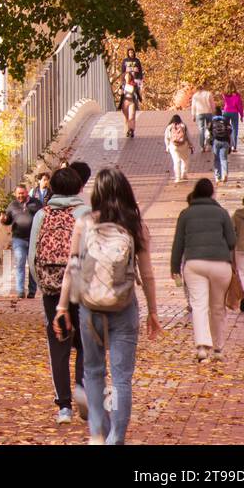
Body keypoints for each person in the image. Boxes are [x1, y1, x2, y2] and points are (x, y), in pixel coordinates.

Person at [55, 168, 161, 445]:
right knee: (122, 378)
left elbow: (72, 268)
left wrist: (62, 308)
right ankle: (116, 439)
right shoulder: (136, 226)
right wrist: (153, 312)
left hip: (90, 306)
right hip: (124, 306)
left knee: (93, 371)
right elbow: (147, 274)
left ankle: (98, 432)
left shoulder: (84, 223)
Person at [28, 166, 91, 424]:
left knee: (58, 345)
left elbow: (32, 256)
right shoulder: (86, 213)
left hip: (52, 290)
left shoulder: (42, 214)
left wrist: (42, 283)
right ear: (79, 188)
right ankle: (82, 390)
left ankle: (63, 406)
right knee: (87, 343)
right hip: (84, 289)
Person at [171, 178, 237, 363]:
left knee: (199, 306)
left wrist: (174, 267)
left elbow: (178, 243)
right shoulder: (222, 213)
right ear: (211, 193)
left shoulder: (186, 213)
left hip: (194, 264)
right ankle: (218, 348)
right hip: (220, 265)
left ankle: (201, 347)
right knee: (217, 307)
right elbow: (232, 241)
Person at [0, 183, 38, 302]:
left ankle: (32, 291)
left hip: (33, 239)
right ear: (15, 194)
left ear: (27, 192)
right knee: (20, 262)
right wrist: (4, 220)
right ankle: (20, 291)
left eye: (22, 193)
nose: (20, 195)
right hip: (18, 238)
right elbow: (8, 220)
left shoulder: (36, 203)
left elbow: (43, 217)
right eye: (18, 194)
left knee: (32, 266)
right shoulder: (12, 205)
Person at [163, 113, 193, 183]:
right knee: (185, 159)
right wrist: (191, 144)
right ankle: (184, 173)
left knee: (176, 161)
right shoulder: (183, 125)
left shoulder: (169, 127)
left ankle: (178, 178)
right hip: (184, 145)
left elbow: (166, 137)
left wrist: (167, 146)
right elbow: (188, 136)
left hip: (173, 146)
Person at [207, 108, 232, 183]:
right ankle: (225, 174)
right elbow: (230, 131)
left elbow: (208, 131)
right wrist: (231, 144)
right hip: (225, 141)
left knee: (216, 159)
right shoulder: (226, 121)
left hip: (216, 141)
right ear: (221, 113)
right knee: (224, 159)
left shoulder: (212, 121)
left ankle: (218, 177)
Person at [190, 85, 214, 151]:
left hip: (199, 113)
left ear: (197, 89)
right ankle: (208, 144)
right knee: (209, 129)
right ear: (203, 88)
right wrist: (214, 112)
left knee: (201, 129)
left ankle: (202, 146)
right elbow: (212, 104)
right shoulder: (208, 94)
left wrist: (193, 115)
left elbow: (193, 106)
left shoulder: (195, 96)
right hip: (209, 113)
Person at [221, 84, 244, 152]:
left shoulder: (224, 95)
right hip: (234, 113)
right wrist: (241, 115)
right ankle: (234, 146)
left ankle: (227, 145)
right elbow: (240, 105)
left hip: (226, 112)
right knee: (234, 129)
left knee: (226, 128)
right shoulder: (237, 95)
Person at [118, 70, 140, 138]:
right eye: (126, 77)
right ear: (124, 77)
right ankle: (127, 130)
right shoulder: (122, 85)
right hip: (125, 101)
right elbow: (120, 92)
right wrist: (120, 92)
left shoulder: (134, 84)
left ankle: (131, 130)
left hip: (131, 102)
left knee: (132, 116)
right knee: (127, 118)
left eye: (129, 76)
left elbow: (137, 93)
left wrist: (140, 98)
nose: (127, 78)